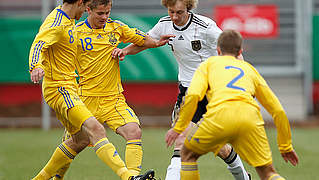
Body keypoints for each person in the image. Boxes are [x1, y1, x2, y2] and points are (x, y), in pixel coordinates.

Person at [112, 0, 250, 179]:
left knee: (199, 143)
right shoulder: (164, 24)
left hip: (211, 92)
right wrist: (126, 51)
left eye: (179, 12)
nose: (175, 17)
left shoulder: (206, 27)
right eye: (171, 12)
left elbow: (233, 51)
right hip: (187, 93)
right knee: (197, 143)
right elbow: (146, 41)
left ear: (189, 8)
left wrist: (243, 78)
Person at [28, 0, 164, 179]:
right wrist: (36, 65)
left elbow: (142, 39)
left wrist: (155, 42)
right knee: (76, 143)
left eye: (108, 12)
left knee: (134, 131)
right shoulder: (74, 31)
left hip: (113, 99)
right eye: (100, 13)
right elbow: (43, 44)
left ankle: (132, 176)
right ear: (87, 9)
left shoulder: (116, 28)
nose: (105, 17)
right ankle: (55, 177)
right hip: (84, 97)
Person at [165, 29, 299, 180]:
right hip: (250, 119)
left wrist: (178, 128)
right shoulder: (250, 70)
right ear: (240, 51)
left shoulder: (207, 65)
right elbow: (278, 110)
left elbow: (193, 96)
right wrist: (285, 146)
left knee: (187, 155)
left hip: (219, 117)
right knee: (268, 172)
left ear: (218, 50)